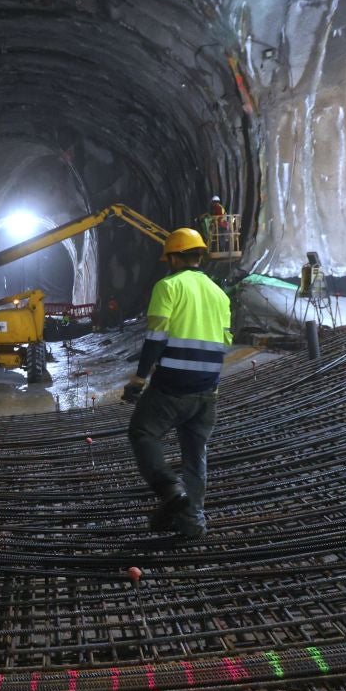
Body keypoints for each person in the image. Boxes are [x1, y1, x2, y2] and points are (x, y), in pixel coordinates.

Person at [121, 228, 231, 541]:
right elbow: (224, 342)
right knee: (196, 456)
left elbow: (156, 336)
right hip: (207, 388)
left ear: (173, 257)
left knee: (143, 432)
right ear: (198, 255)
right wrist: (212, 386)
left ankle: (170, 489)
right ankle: (193, 523)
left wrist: (139, 379)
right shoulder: (219, 293)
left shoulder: (168, 286)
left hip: (172, 383)